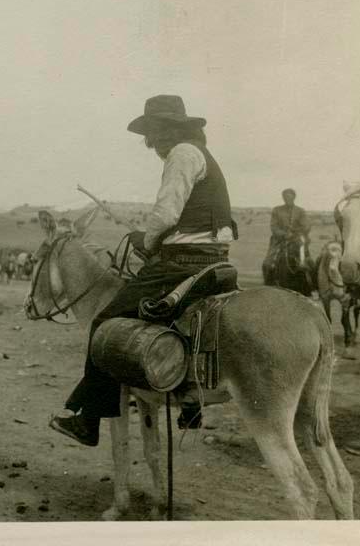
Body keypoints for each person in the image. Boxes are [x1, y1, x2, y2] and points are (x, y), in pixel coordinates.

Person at [50, 94, 236, 446]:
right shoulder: (201, 155)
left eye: (154, 133)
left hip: (184, 259)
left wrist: (146, 242)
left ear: (169, 130)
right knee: (177, 316)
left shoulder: (182, 154)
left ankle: (88, 421)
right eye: (149, 135)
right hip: (214, 257)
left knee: (105, 321)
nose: (151, 143)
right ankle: (191, 401)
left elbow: (166, 215)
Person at [262, 188, 311, 283]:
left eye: (290, 197)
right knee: (267, 264)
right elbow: (274, 227)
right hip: (279, 241)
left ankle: (312, 287)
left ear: (294, 198)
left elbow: (306, 226)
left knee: (310, 264)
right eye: (285, 197)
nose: (287, 199)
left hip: (298, 240)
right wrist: (284, 234)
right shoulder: (277, 210)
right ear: (283, 198)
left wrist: (296, 233)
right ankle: (268, 284)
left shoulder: (300, 211)